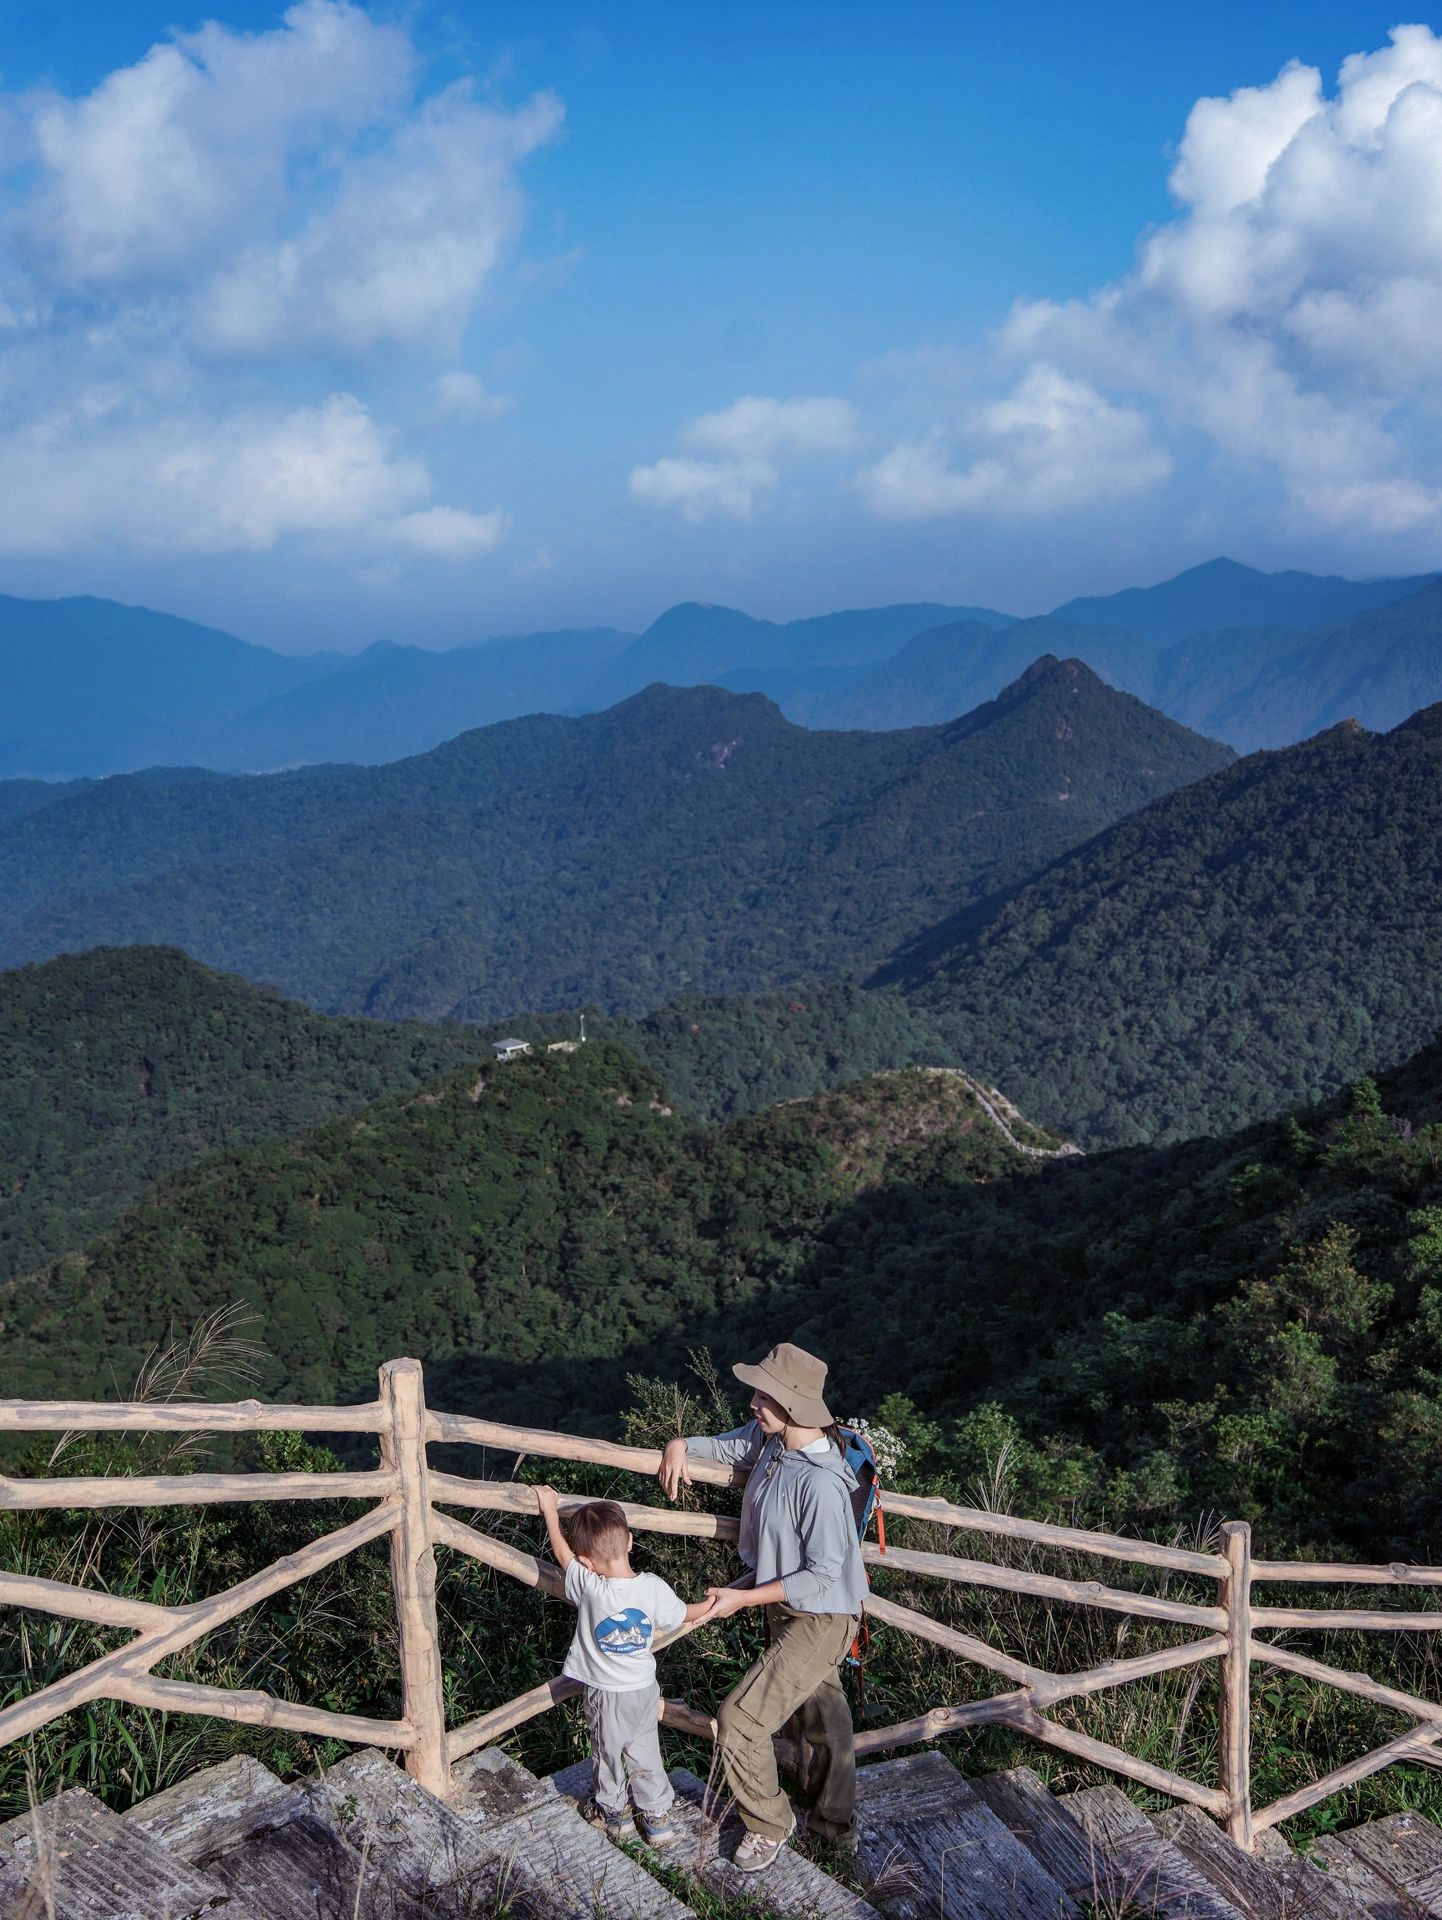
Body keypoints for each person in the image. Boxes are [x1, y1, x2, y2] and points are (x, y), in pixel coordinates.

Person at [657, 1341, 867, 1875]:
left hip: (820, 1617)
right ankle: (835, 1832)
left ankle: (771, 1824)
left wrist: (742, 1598)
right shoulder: (773, 1443)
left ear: (792, 1405)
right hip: (785, 1606)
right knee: (824, 1717)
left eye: (763, 1394)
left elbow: (822, 1575)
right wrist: (681, 1443)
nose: (752, 1401)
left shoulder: (821, 1482)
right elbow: (730, 1448)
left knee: (740, 1721)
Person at [535, 1486, 713, 1847]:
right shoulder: (653, 1588)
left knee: (607, 1753)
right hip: (644, 1689)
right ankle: (658, 1818)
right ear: (630, 1541)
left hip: (607, 1694)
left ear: (587, 1561)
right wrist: (713, 1604)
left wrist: (549, 1510)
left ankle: (615, 1815)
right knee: (645, 1748)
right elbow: (683, 1615)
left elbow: (560, 1552)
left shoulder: (590, 1586)